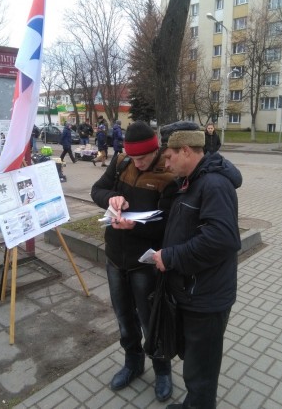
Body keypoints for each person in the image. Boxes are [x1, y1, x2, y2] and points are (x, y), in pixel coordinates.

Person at [152, 121, 242, 409]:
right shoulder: (192, 181)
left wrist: (171, 257)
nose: (165, 163)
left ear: (187, 150)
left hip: (206, 297)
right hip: (194, 291)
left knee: (202, 370)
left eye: (169, 156)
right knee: (194, 363)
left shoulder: (213, 184)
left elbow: (222, 239)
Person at [91, 121, 178, 403]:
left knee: (151, 319)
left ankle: (162, 369)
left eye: (143, 158)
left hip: (145, 262)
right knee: (124, 317)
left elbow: (169, 224)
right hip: (115, 258)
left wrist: (136, 227)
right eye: (134, 157)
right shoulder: (120, 162)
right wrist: (111, 197)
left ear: (155, 150)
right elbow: (97, 190)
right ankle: (133, 362)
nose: (138, 163)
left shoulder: (169, 172)